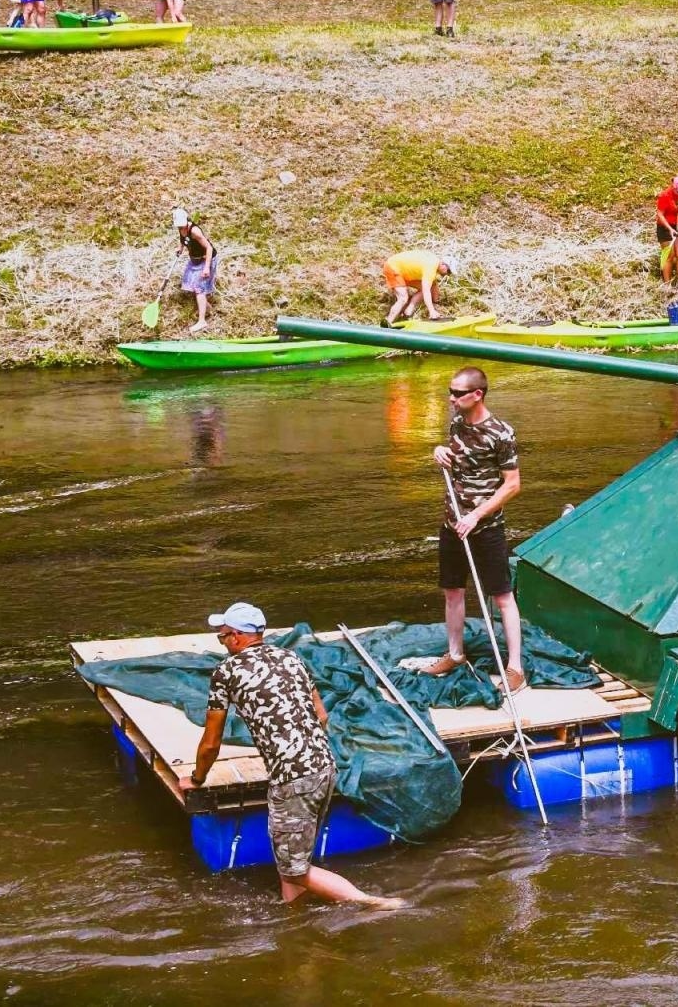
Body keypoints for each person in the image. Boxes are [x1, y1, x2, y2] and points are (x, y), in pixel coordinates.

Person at [182, 602, 405, 908]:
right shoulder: (291, 659)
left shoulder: (227, 672)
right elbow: (322, 716)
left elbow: (211, 741)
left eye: (222, 637)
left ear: (236, 636)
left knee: (295, 870)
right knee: (292, 862)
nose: (223, 644)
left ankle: (371, 903)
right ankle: (294, 918)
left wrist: (196, 779)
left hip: (293, 780)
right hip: (325, 766)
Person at [426, 366, 525, 688]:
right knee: (452, 590)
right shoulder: (456, 423)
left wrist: (476, 516)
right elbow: (455, 458)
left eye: (457, 393)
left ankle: (515, 668)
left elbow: (512, 485)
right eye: (450, 391)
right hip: (452, 521)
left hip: (485, 527)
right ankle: (455, 654)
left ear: (477, 394)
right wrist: (440, 452)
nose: (451, 398)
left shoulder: (500, 433)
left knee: (502, 597)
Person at [173, 208, 217, 333]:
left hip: (206, 259)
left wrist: (207, 267)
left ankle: (202, 322)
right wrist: (180, 247)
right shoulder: (181, 228)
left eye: (182, 224)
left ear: (186, 220)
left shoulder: (195, 231)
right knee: (191, 284)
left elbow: (209, 248)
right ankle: (207, 307)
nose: (180, 227)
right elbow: (183, 239)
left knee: (199, 289)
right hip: (194, 260)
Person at [382, 250, 452, 324]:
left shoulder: (434, 264)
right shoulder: (431, 267)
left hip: (404, 272)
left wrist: (437, 303)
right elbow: (426, 291)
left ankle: (408, 311)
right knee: (403, 298)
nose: (448, 274)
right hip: (392, 267)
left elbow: (433, 288)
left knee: (431, 286)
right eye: (448, 271)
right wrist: (432, 311)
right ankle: (387, 322)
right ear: (443, 265)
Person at [656, 175, 678, 290]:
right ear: (674, 187)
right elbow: (660, 215)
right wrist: (670, 229)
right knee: (669, 256)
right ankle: (667, 284)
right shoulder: (665, 196)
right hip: (665, 227)